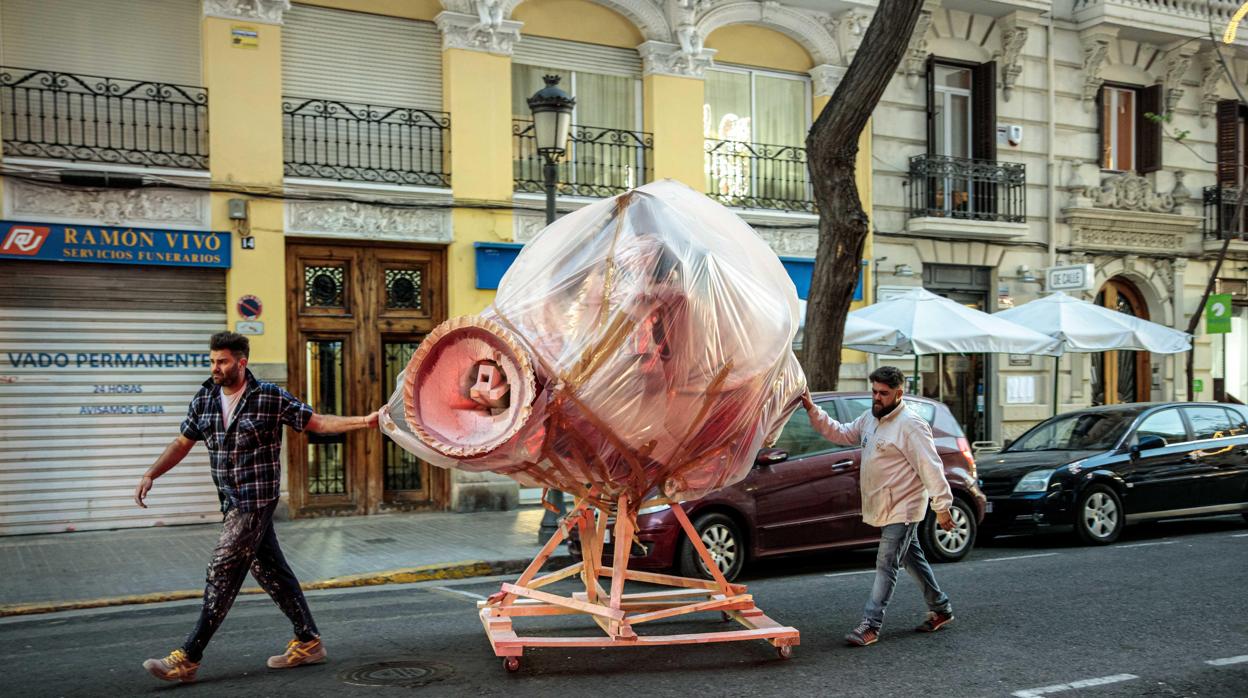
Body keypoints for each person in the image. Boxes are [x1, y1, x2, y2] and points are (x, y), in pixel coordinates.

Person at [134, 332, 381, 683]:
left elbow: (318, 422)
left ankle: (187, 658)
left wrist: (364, 421)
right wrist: (151, 473)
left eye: (222, 361)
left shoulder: (268, 397)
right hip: (231, 501)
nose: (215, 368)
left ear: (241, 361)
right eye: (212, 361)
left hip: (255, 501)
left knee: (222, 570)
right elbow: (182, 442)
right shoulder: (205, 397)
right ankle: (309, 641)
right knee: (271, 572)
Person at [800, 365, 957, 647]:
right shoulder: (870, 418)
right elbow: (842, 432)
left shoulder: (911, 425)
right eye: (874, 391)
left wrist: (942, 506)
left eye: (883, 393)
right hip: (883, 504)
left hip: (904, 507)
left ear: (899, 393)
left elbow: (930, 466)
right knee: (911, 557)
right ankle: (941, 607)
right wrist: (813, 410)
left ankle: (870, 624)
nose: (877, 398)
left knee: (886, 562)